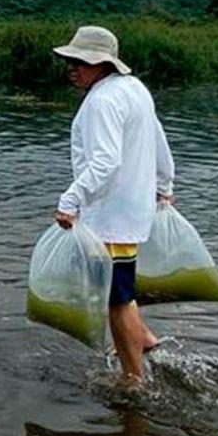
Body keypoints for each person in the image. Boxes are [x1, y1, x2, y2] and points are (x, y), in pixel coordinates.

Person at [50, 25, 176, 386]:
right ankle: (145, 341)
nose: (72, 68)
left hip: (111, 216)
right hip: (130, 211)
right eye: (70, 61)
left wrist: (70, 200)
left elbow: (105, 162)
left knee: (116, 301)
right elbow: (158, 137)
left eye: (79, 62)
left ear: (102, 63)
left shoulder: (101, 101)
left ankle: (133, 381)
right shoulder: (134, 89)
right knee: (119, 291)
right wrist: (165, 182)